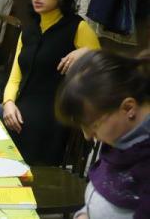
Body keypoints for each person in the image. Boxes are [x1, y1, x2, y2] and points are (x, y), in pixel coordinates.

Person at [0, 0, 100, 165]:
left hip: (53, 118)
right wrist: (8, 103)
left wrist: (88, 52)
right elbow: (15, 77)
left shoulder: (77, 27)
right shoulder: (30, 30)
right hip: (19, 112)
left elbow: (105, 67)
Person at [55, 50, 150, 219]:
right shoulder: (120, 140)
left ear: (128, 108)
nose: (88, 136)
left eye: (94, 125)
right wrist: (84, 214)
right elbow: (100, 195)